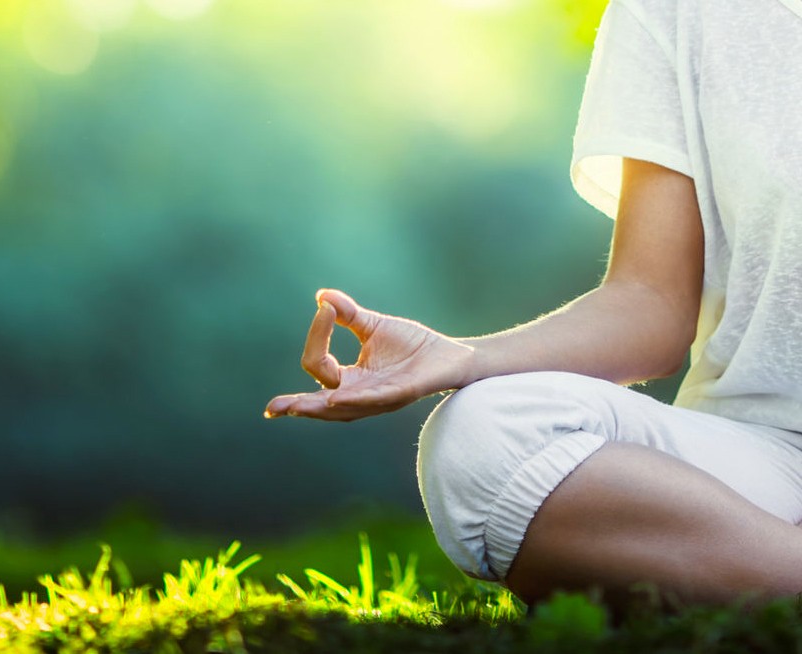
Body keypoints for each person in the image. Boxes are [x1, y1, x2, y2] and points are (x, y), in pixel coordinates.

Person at [265, 0, 802, 608]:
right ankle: (760, 563)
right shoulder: (676, 11)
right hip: (768, 459)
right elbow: (651, 302)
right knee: (481, 434)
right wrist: (464, 358)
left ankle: (753, 579)